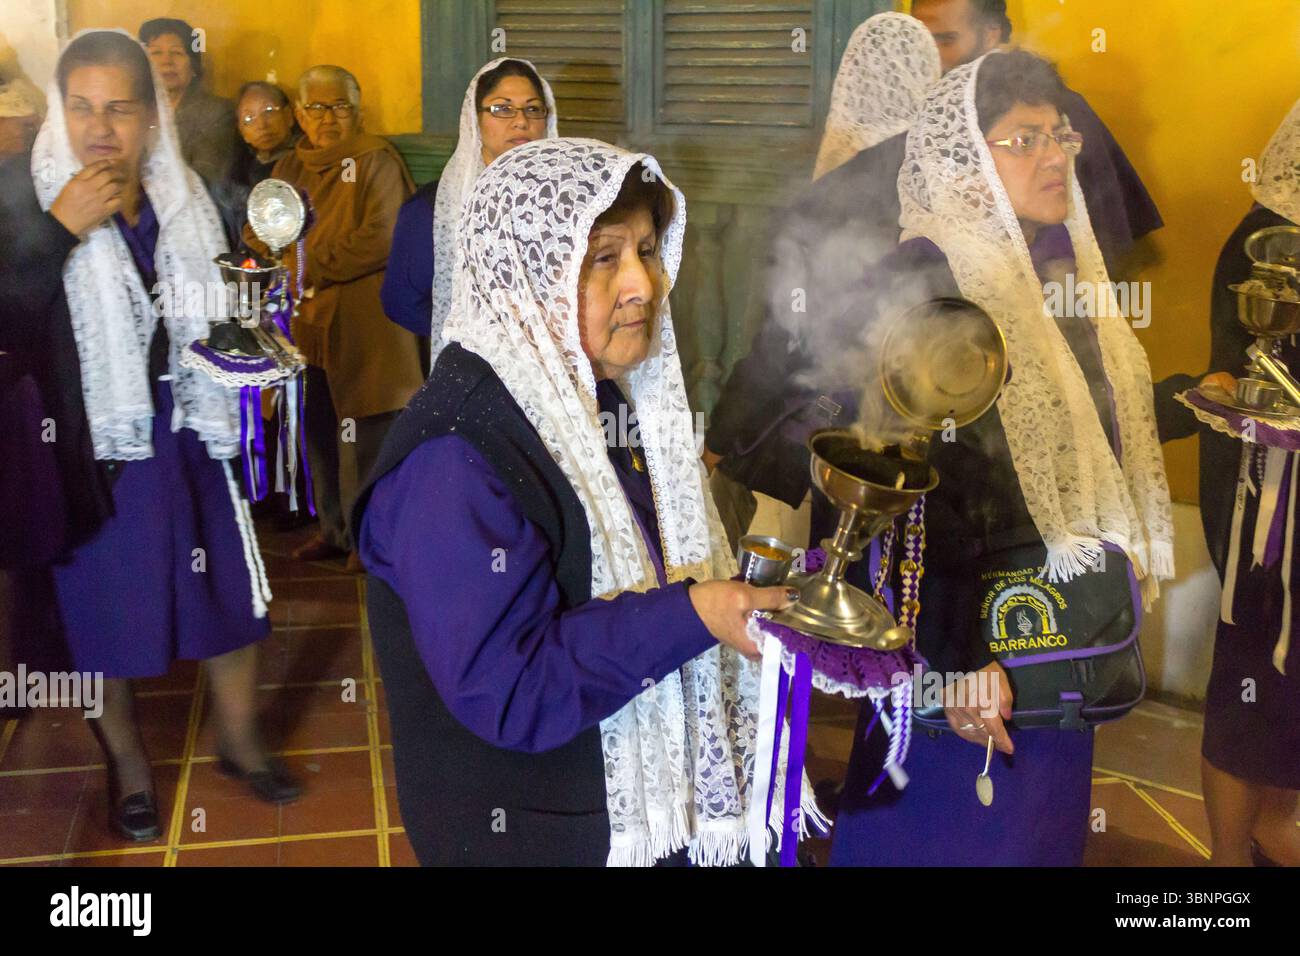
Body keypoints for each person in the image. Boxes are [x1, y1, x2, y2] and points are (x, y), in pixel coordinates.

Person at [355, 138, 816, 866]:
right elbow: (509, 688)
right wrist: (695, 614)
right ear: (524, 276)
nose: (644, 284)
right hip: (535, 828)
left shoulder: (590, 400)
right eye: (603, 258)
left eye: (646, 250)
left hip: (620, 805)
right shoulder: (455, 457)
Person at [827, 50, 1181, 866]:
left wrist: (1195, 399)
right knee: (959, 836)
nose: (1056, 155)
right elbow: (912, 480)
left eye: (1060, 134)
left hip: (1049, 630)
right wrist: (959, 661)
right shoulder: (931, 274)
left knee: (1037, 834)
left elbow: (1075, 430)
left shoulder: (1039, 269)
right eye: (1023, 139)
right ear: (964, 157)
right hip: (976, 641)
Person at [0, 30, 298, 843]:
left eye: (121, 109)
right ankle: (127, 765)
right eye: (82, 107)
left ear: (152, 116)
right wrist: (60, 228)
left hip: (192, 432)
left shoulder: (186, 196)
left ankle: (239, 742)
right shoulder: (23, 198)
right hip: (94, 451)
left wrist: (258, 335)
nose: (101, 128)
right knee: (105, 615)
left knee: (229, 595)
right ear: (61, 111)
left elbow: (231, 307)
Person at [252, 65, 424, 570]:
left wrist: (304, 263)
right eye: (317, 108)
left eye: (341, 107)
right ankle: (334, 529)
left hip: (366, 323)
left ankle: (371, 542)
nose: (329, 118)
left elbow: (383, 237)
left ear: (358, 110)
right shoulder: (289, 169)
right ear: (300, 115)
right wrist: (271, 250)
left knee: (368, 436)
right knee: (320, 431)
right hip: (307, 325)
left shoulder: (374, 161)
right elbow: (260, 225)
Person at [1194, 97, 1300, 866]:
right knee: (1252, 686)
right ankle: (1231, 871)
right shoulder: (1267, 238)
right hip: (1274, 522)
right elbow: (1234, 376)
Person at [381, 58, 556, 347]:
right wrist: (479, 337)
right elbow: (401, 301)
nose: (521, 121)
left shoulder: (563, 201)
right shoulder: (433, 209)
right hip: (471, 364)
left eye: (533, 109)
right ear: (475, 120)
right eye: (502, 109)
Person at [138, 17, 239, 187]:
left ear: (193, 67)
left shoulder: (216, 113)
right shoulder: (135, 112)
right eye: (155, 53)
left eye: (177, 52)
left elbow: (206, 178)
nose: (166, 62)